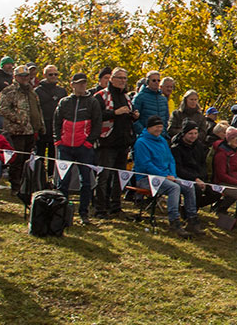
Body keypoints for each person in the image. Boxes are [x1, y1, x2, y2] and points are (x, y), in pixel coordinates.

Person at [133, 116, 200, 234]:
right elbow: (146, 165)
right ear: (149, 127)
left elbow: (170, 160)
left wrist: (172, 175)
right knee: (174, 188)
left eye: (161, 127)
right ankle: (174, 221)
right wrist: (164, 175)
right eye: (156, 127)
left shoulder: (162, 141)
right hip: (146, 178)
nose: (159, 129)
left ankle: (192, 220)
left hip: (167, 175)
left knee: (188, 186)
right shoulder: (141, 143)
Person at [53, 72, 103, 224]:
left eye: (84, 83)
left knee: (86, 182)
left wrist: (89, 142)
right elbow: (56, 121)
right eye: (79, 83)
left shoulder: (92, 102)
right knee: (63, 181)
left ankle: (84, 213)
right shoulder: (64, 102)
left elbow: (97, 123)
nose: (82, 85)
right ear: (72, 85)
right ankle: (61, 212)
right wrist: (58, 140)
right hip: (65, 147)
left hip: (84, 147)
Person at [93, 67, 137, 218]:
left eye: (125, 78)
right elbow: (96, 116)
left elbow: (127, 116)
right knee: (104, 177)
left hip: (123, 142)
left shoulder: (126, 97)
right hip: (107, 142)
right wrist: (114, 113)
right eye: (119, 78)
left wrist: (134, 115)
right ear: (111, 79)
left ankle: (116, 207)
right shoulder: (101, 95)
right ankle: (100, 208)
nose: (123, 81)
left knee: (120, 177)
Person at [0, 65, 43, 194]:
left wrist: (40, 124)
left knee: (27, 159)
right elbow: (2, 108)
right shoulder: (9, 91)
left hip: (31, 130)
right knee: (17, 159)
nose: (24, 78)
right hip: (16, 131)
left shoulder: (32, 91)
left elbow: (37, 109)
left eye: (26, 76)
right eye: (21, 76)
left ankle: (24, 185)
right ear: (15, 77)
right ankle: (15, 185)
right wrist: (18, 119)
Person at [171, 121, 215, 213]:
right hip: (185, 177)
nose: (193, 136)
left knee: (215, 193)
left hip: (199, 176)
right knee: (196, 190)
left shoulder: (198, 146)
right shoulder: (176, 148)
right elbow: (179, 169)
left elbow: (203, 164)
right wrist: (195, 179)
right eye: (190, 133)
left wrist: (202, 178)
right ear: (184, 134)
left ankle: (191, 207)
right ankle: (190, 212)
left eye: (195, 133)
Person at [33, 65, 65, 166]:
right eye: (51, 74)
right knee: (39, 155)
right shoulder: (37, 91)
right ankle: (38, 178)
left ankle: (52, 177)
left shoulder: (62, 91)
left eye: (55, 74)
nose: (53, 76)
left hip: (56, 127)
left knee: (54, 154)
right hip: (42, 127)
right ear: (45, 75)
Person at [131, 71, 169, 137]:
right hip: (145, 136)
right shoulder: (139, 97)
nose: (156, 82)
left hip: (160, 136)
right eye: (154, 80)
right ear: (148, 82)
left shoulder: (163, 99)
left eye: (158, 80)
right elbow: (133, 118)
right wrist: (144, 132)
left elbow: (166, 119)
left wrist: (163, 132)